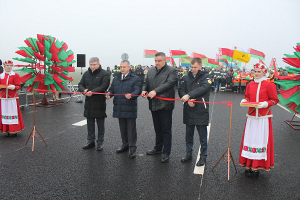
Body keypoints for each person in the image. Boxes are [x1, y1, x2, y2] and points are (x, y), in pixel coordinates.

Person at [239, 63, 279, 177]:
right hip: (251, 117)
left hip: (263, 118)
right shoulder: (250, 85)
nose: (256, 73)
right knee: (250, 139)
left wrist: (266, 103)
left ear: (264, 72)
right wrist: (244, 101)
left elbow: (275, 100)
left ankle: (256, 167)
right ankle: (248, 165)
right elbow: (247, 97)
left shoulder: (270, 85)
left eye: (258, 71)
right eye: (255, 71)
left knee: (260, 140)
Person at [141, 52, 178, 163]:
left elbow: (170, 83)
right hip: (153, 103)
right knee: (157, 128)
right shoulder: (151, 70)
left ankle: (166, 152)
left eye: (159, 61)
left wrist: (155, 91)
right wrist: (144, 89)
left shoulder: (172, 71)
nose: (157, 63)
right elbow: (146, 82)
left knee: (166, 130)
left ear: (164, 60)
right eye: (155, 61)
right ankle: (158, 148)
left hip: (165, 104)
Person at [178, 57, 212, 166]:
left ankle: (203, 157)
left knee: (202, 136)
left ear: (200, 66)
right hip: (189, 109)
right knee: (189, 135)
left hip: (201, 109)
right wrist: (186, 99)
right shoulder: (186, 76)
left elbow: (204, 88)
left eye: (195, 67)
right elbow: (181, 89)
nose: (193, 69)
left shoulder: (206, 76)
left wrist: (190, 96)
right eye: (192, 67)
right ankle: (188, 154)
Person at [106, 60, 141, 159]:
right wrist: (109, 94)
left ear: (129, 67)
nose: (122, 69)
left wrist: (132, 95)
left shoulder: (135, 78)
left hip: (130, 107)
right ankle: (125, 145)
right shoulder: (116, 78)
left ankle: (132, 148)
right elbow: (112, 89)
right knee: (122, 128)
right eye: (121, 67)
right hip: (119, 106)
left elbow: (137, 90)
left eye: (124, 67)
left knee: (131, 129)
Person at [78, 57, 110, 150]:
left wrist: (92, 92)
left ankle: (100, 143)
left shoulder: (105, 74)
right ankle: (90, 141)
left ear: (98, 64)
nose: (92, 66)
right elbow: (80, 84)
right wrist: (84, 90)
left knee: (100, 124)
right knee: (90, 123)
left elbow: (104, 86)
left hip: (99, 102)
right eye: (91, 64)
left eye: (94, 64)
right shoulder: (86, 74)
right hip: (89, 103)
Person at [0, 60, 25, 136]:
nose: (9, 67)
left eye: (11, 65)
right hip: (3, 97)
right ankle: (6, 129)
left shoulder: (15, 75)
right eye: (7, 65)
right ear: (4, 66)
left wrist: (14, 87)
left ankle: (14, 129)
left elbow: (18, 86)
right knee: (4, 112)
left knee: (12, 113)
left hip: (12, 97)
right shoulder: (1, 75)